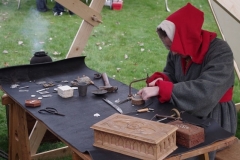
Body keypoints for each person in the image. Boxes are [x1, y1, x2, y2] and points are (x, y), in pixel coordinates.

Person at [137, 3, 237, 159]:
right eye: (168, 47)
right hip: (184, 111)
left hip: (214, 117)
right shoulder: (177, 52)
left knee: (189, 154)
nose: (174, 51)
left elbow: (207, 91)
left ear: (187, 37)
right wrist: (160, 80)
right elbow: (172, 74)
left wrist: (163, 89)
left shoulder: (220, 52)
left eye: (175, 46)